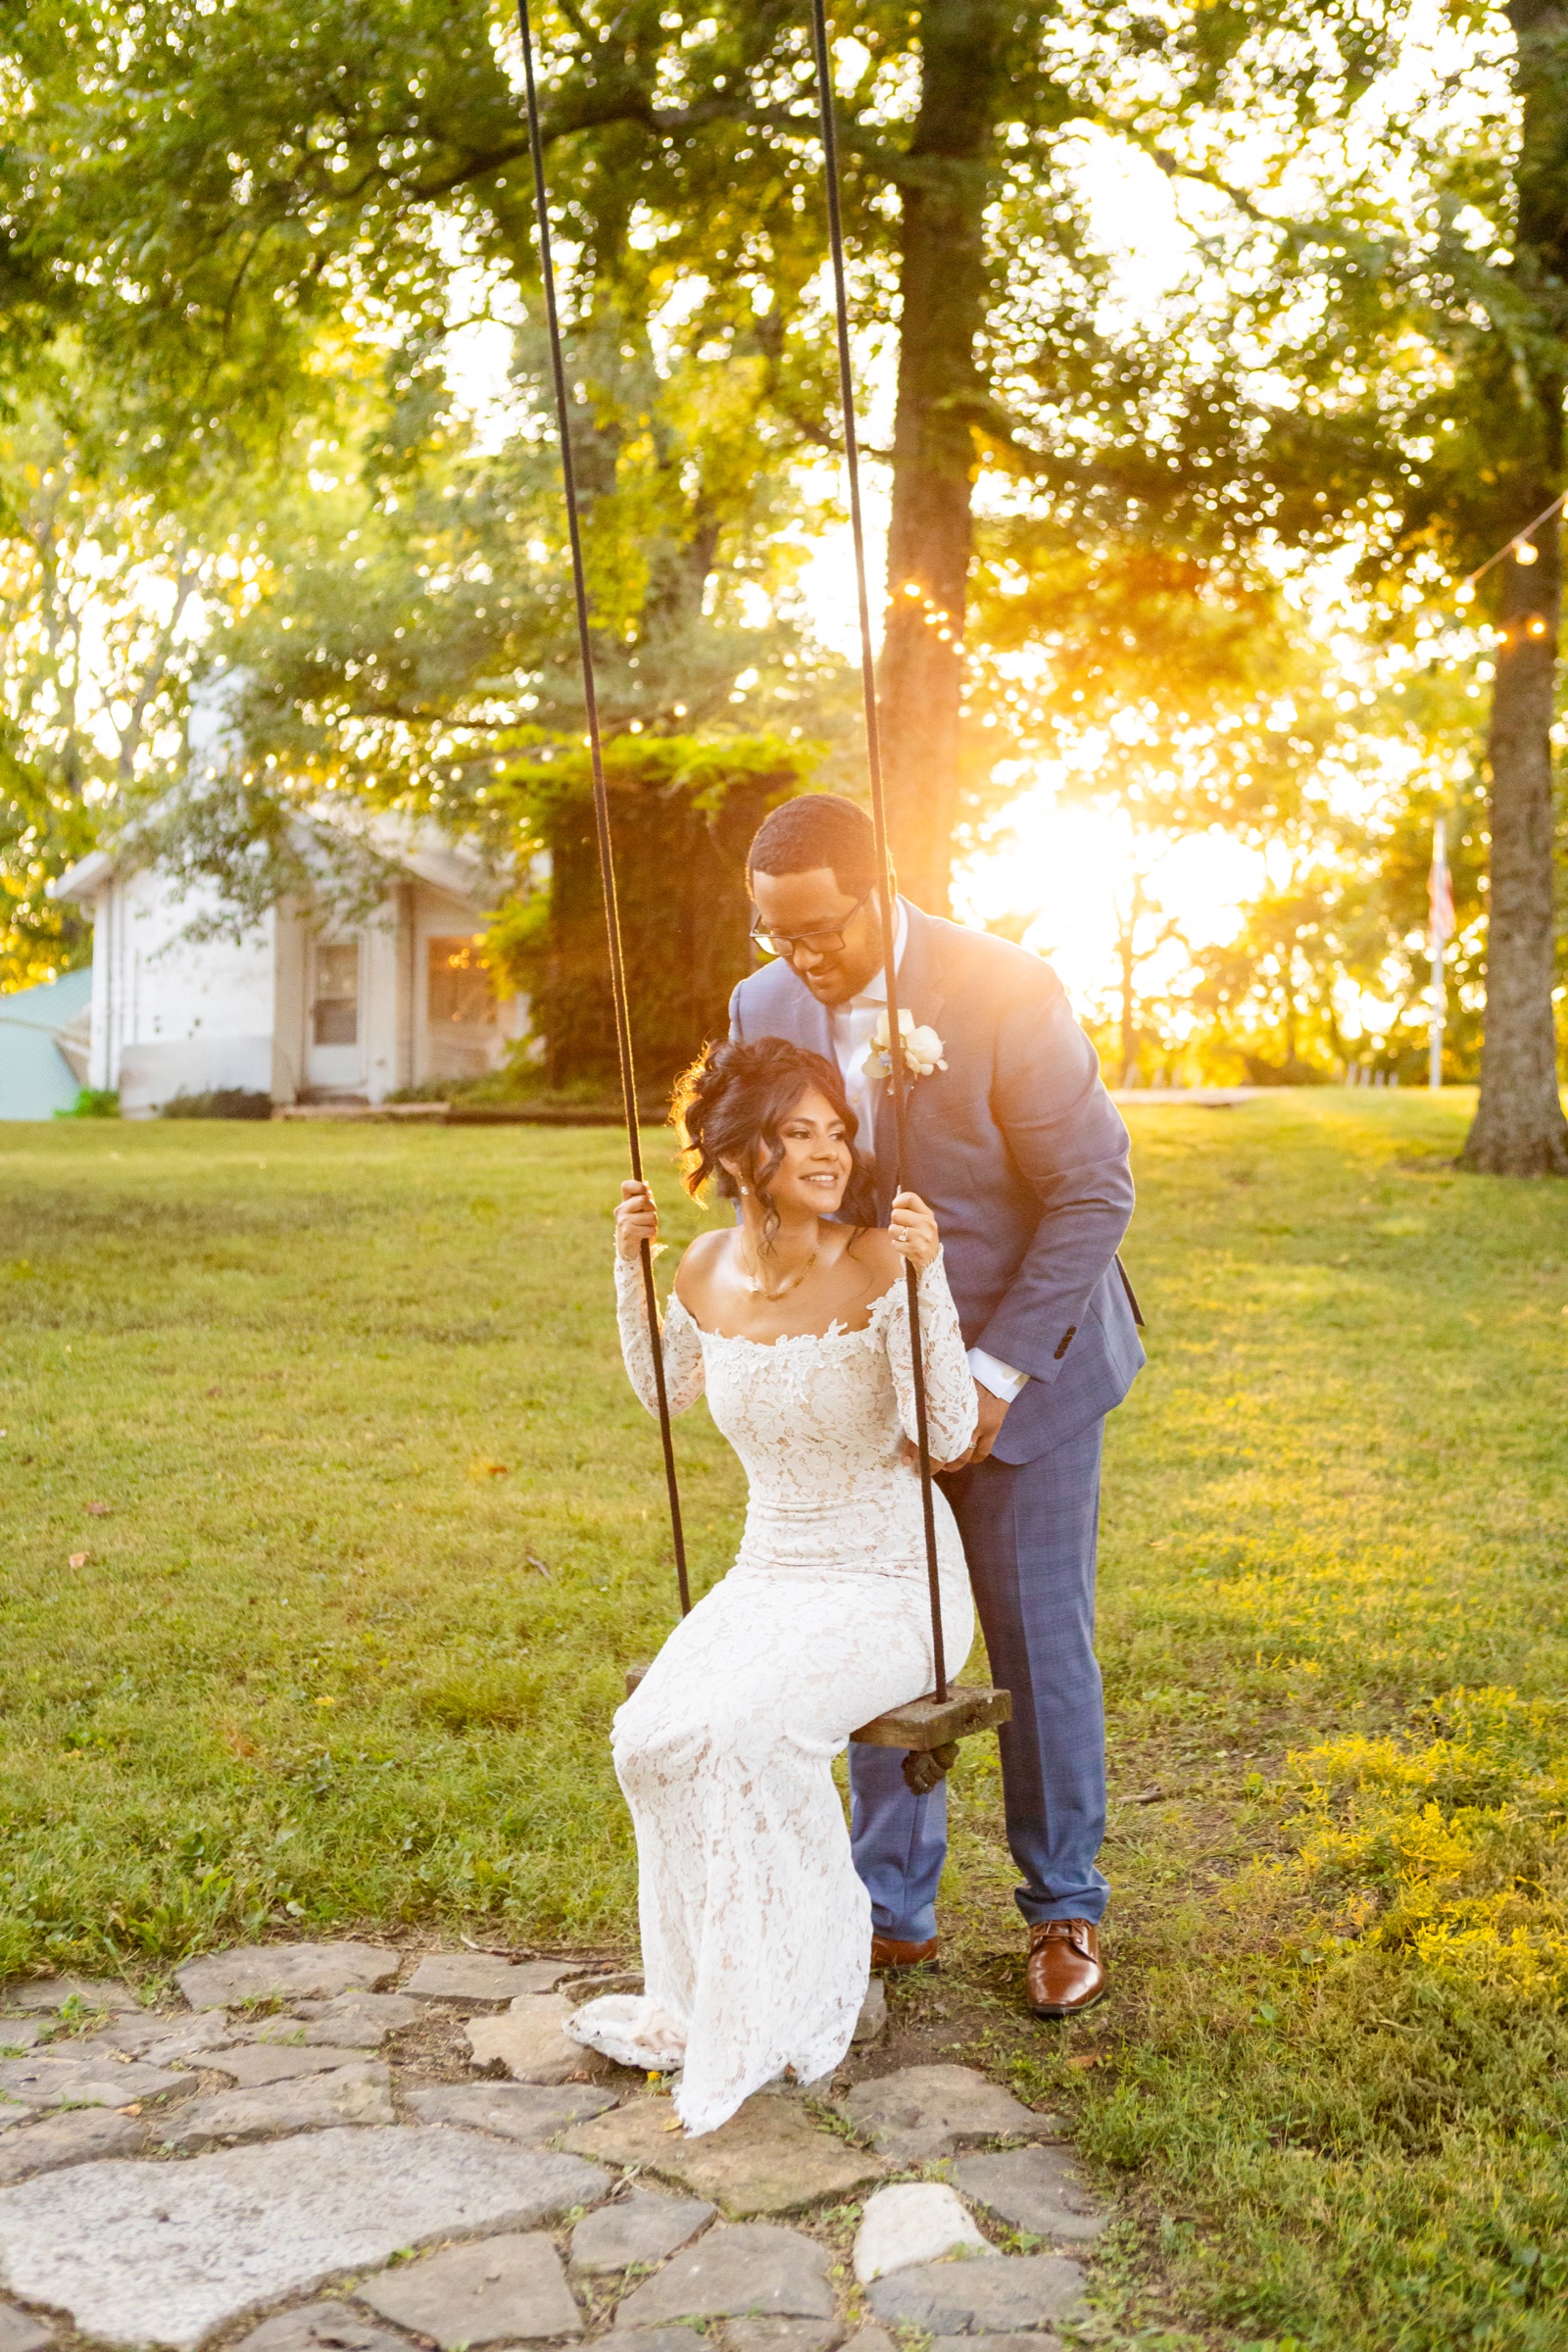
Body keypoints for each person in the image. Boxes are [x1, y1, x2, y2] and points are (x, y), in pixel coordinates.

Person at [730, 794, 1144, 2020]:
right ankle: (890, 1910)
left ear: (881, 884)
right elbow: (777, 1184)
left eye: (818, 932)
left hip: (1031, 1364)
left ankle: (1061, 1903)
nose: (800, 960)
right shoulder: (764, 1007)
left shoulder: (1007, 986)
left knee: (1030, 1639)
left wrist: (993, 1375)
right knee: (884, 1633)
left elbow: (1091, 1192)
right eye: (773, 936)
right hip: (873, 1378)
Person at [566, 1036, 977, 2135]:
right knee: (646, 1739)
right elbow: (666, 1398)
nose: (829, 1151)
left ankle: (796, 1985)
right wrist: (629, 1266)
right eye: (799, 1132)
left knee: (751, 1739)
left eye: (836, 1130)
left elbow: (942, 1436)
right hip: (770, 1570)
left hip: (892, 1576)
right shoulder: (701, 1270)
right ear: (739, 1151)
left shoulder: (878, 1261)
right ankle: (702, 1997)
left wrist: (930, 1280)